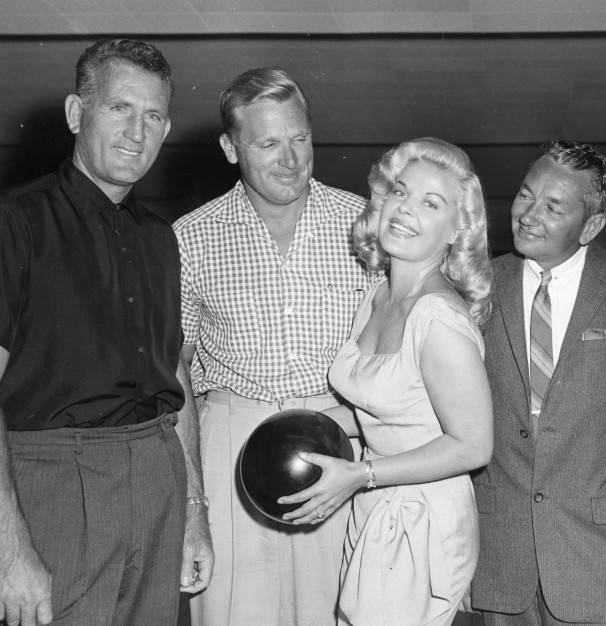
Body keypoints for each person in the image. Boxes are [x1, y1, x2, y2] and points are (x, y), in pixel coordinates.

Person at [0, 39, 213, 626]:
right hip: (53, 484)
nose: (135, 132)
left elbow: (177, 374)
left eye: (152, 117)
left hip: (157, 475)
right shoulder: (17, 223)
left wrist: (194, 510)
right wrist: (8, 548)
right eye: (119, 108)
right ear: (76, 113)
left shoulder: (160, 238)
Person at [173, 67, 375, 625]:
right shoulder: (190, 237)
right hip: (230, 446)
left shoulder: (364, 225)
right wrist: (194, 503)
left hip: (338, 439)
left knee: (342, 610)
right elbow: (175, 370)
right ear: (230, 147)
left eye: (299, 138)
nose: (290, 159)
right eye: (268, 143)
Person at [279, 137, 493, 625]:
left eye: (430, 202)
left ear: (456, 231)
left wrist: (362, 475)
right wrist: (305, 419)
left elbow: (474, 446)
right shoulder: (378, 295)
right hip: (376, 501)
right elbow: (388, 408)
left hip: (421, 517)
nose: (405, 209)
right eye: (400, 191)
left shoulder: (439, 320)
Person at [470, 141, 606, 626]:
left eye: (553, 206)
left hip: (602, 563)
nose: (529, 215)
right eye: (525, 195)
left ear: (592, 225)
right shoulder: (476, 287)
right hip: (500, 561)